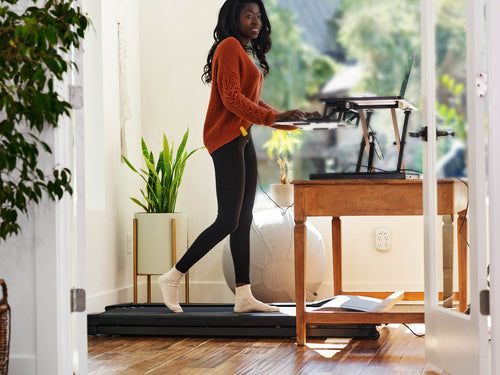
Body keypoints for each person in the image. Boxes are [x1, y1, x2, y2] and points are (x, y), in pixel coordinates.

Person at [158, 0, 316, 313]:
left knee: (244, 219)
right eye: (249, 15)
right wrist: (275, 119)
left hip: (242, 138)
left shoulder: (243, 51)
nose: (256, 21)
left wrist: (290, 119)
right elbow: (231, 100)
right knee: (228, 219)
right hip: (226, 139)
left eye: (259, 16)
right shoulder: (229, 46)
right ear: (235, 18)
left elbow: (252, 101)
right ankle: (173, 276)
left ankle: (243, 296)